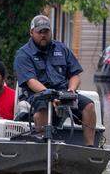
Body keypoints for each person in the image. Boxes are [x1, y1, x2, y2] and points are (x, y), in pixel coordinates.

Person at [13, 15, 97, 146]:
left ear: (50, 32)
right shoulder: (23, 54)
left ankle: (90, 148)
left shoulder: (62, 49)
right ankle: (43, 146)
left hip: (63, 92)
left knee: (89, 106)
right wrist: (50, 95)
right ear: (31, 32)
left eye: (46, 31)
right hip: (37, 94)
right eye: (39, 32)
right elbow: (31, 81)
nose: (43, 35)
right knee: (42, 110)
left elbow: (75, 75)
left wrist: (71, 90)